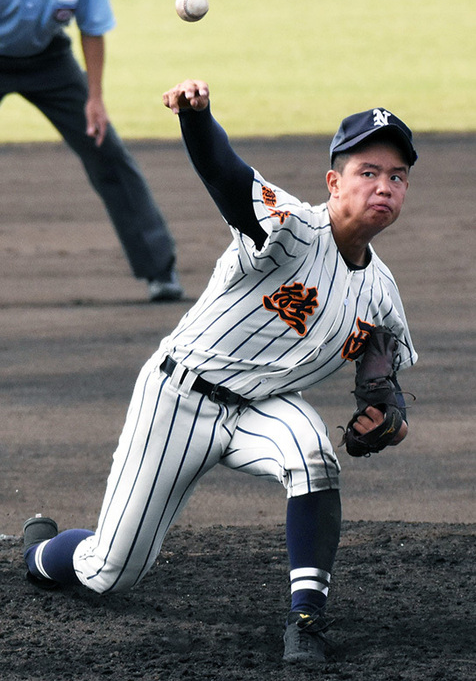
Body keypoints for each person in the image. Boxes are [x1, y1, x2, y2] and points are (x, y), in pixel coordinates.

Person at [22, 79, 419, 664]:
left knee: (313, 455)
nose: (383, 185)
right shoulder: (288, 229)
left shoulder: (382, 294)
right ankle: (41, 551)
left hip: (262, 407)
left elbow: (383, 382)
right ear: (334, 183)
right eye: (368, 171)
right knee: (110, 571)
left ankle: (305, 620)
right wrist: (197, 120)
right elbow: (227, 177)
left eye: (397, 176)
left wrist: (387, 418)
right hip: (178, 398)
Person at [0, 0, 183, 302]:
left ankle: (159, 267)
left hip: (49, 61)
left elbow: (92, 26)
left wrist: (94, 98)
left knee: (105, 150)